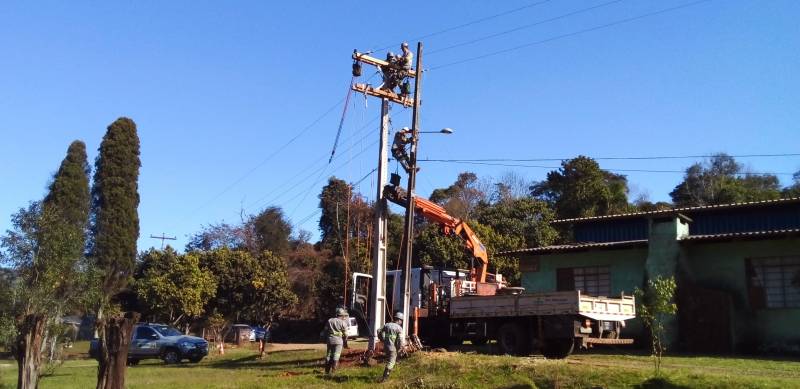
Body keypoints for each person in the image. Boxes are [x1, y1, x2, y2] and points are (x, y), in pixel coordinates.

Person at [378, 312, 406, 383]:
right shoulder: (399, 328)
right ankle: (384, 378)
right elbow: (399, 340)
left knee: (390, 360)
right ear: (399, 320)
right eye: (401, 320)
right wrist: (400, 348)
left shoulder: (387, 325)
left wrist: (382, 339)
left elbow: (378, 330)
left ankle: (386, 375)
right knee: (391, 362)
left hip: (386, 347)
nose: (401, 322)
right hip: (393, 348)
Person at [323, 307, 350, 376]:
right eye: (343, 315)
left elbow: (325, 330)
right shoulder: (343, 323)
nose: (344, 316)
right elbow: (346, 334)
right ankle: (333, 372)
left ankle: (326, 371)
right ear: (341, 315)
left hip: (330, 340)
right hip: (338, 341)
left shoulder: (330, 320)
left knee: (328, 355)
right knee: (336, 355)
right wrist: (345, 341)